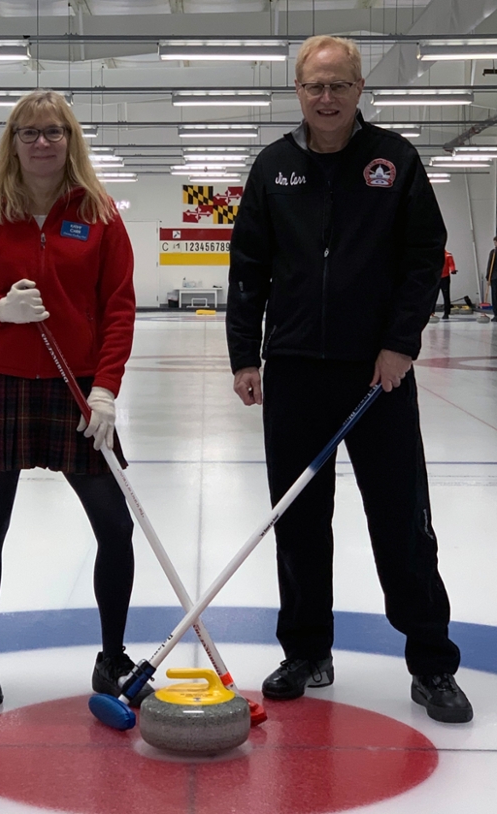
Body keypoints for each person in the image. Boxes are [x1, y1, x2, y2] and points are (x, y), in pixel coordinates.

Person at [226, 35, 472, 724]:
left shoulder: (395, 161)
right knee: (299, 520)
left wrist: (400, 345)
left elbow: (425, 257)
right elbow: (248, 268)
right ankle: (306, 651)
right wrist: (246, 355)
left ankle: (431, 662)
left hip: (378, 376)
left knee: (402, 520)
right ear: (298, 91)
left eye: (338, 85)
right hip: (297, 370)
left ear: (359, 88)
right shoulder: (273, 167)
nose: (325, 98)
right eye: (313, 86)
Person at [0, 89, 153, 709]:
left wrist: (105, 386)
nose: (42, 142)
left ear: (71, 139)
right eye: (28, 132)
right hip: (2, 382)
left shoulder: (101, 213)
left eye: (54, 131)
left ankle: (112, 659)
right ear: (13, 142)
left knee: (115, 524)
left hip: (76, 388)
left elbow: (119, 307)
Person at [436, 249, 457, 319]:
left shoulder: (448, 255)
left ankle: (446, 312)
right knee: (433, 295)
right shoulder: (434, 255)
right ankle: (431, 312)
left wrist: (453, 270)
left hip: (445, 277)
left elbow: (451, 264)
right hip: (436, 277)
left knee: (446, 295)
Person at [487, 236, 497, 321]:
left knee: (495, 296)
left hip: (494, 277)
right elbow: (490, 265)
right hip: (494, 277)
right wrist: (488, 277)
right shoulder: (493, 252)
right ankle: (496, 314)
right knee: (495, 296)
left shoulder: (494, 252)